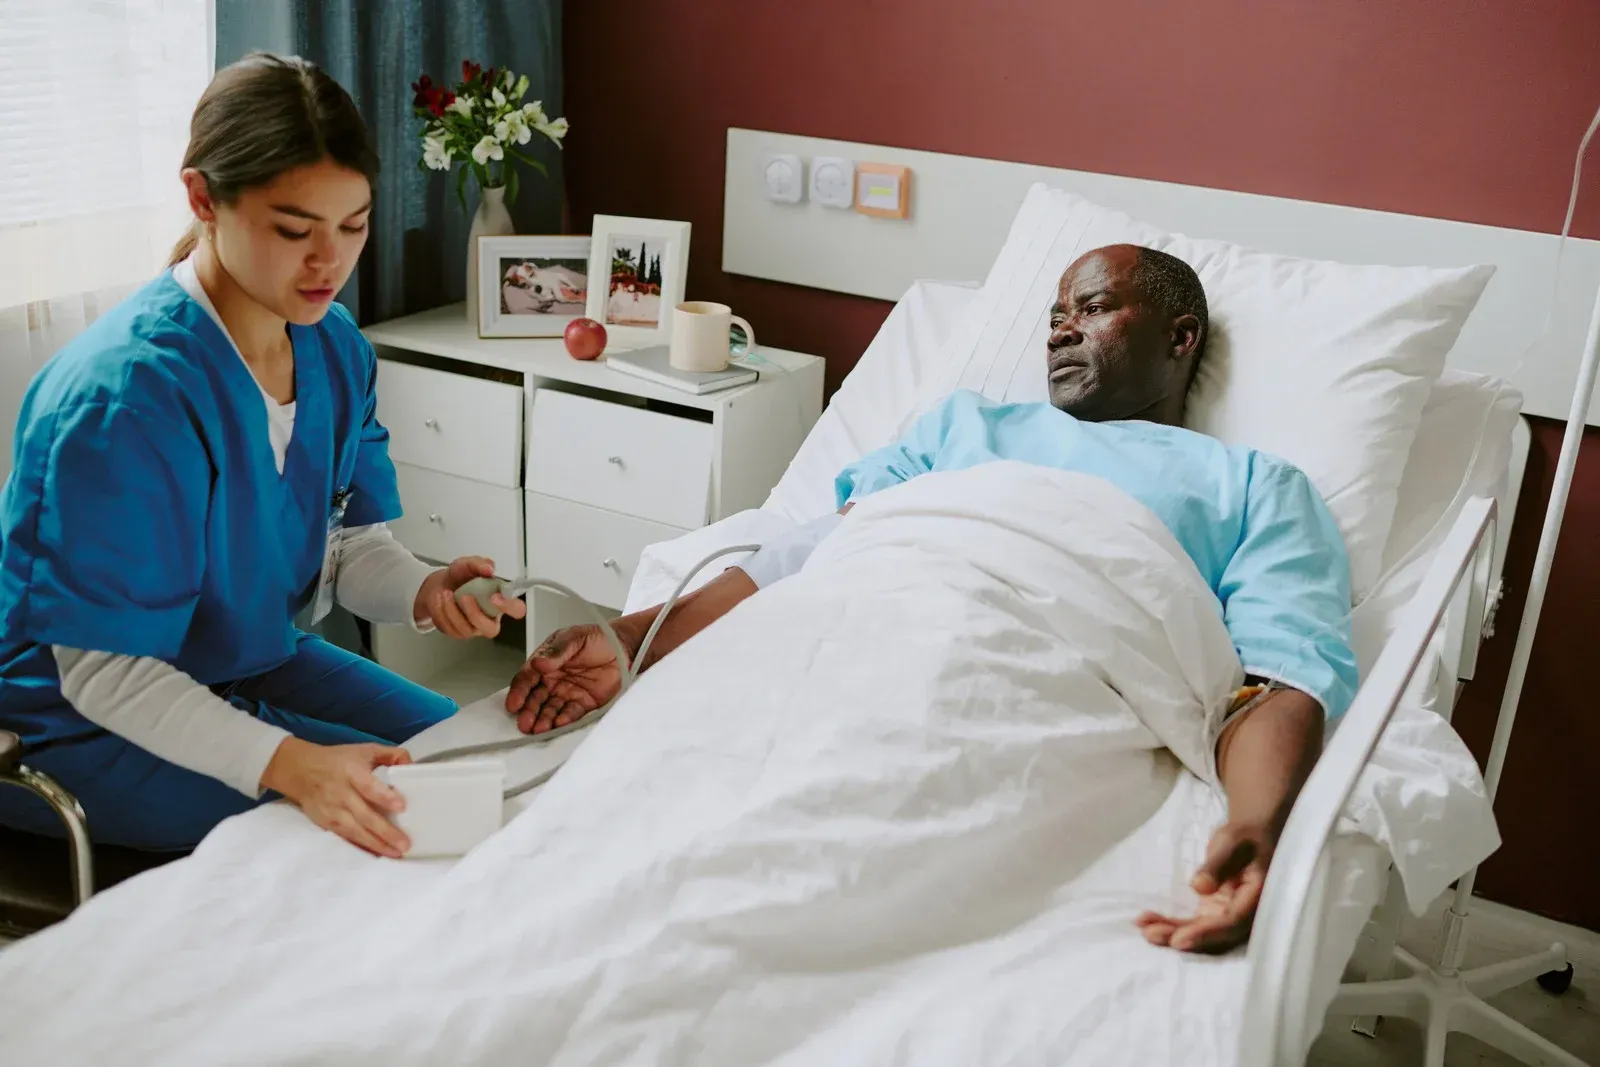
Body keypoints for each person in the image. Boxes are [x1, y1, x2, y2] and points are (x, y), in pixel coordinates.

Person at [505, 243, 1359, 954]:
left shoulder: (1252, 485)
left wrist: (1257, 824)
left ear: (1181, 337)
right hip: (858, 623)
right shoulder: (964, 426)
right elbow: (816, 549)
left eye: (1092, 308)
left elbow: (1279, 680)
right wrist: (629, 640)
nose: (1061, 326)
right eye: (1055, 312)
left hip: (1040, 672)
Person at [0, 54, 524, 859]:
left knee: (494, 768)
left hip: (245, 661)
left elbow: (344, 543)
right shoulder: (123, 402)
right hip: (79, 718)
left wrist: (425, 588)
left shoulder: (335, 349)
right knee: (396, 826)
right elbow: (106, 674)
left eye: (353, 226)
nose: (330, 263)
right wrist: (292, 766)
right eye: (293, 229)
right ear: (204, 199)